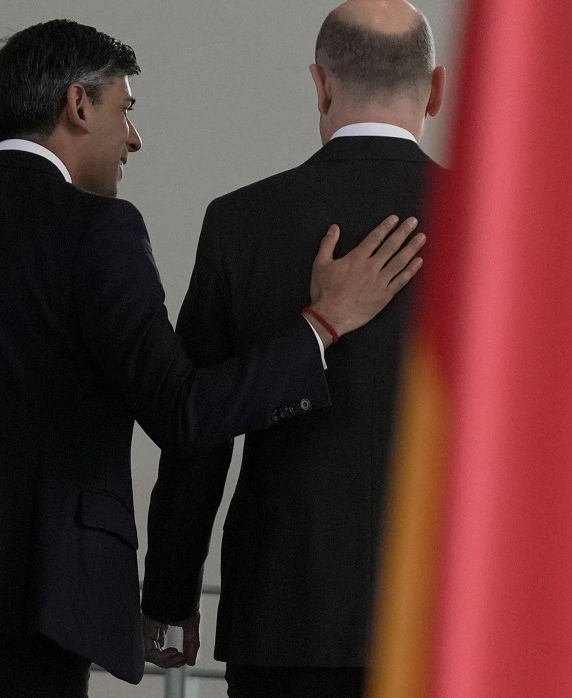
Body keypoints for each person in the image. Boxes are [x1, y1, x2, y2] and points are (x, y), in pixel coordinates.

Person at [0, 18, 424, 697]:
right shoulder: (97, 231)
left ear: (321, 84)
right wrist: (321, 323)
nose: (133, 137)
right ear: (78, 105)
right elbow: (185, 411)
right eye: (124, 111)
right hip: (49, 594)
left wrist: (169, 594)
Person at [140, 2, 446, 696]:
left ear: (320, 84)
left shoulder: (241, 222)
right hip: (453, 611)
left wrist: (170, 595)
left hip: (285, 614)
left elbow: (200, 437)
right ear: (434, 88)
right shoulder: (499, 220)